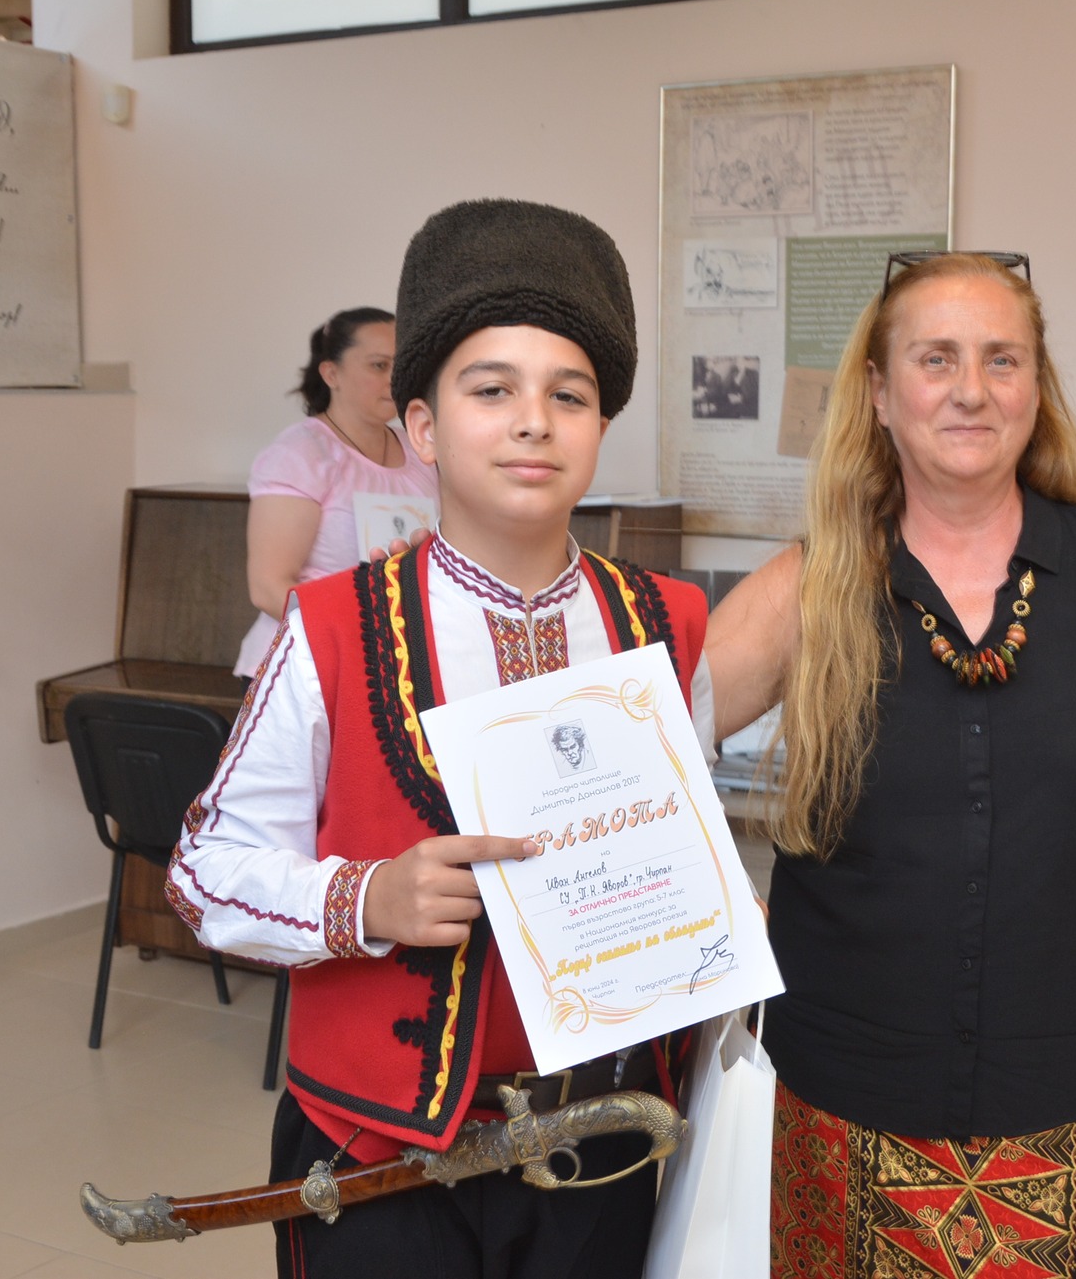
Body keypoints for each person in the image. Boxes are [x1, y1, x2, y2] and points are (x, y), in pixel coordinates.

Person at [707, 252, 1076, 1279]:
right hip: (843, 1088)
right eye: (935, 358)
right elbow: (644, 756)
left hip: (1056, 1089)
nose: (970, 389)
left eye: (1001, 359)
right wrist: (718, 916)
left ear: (1036, 387)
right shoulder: (812, 582)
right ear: (879, 393)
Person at [167, 199, 716, 1279]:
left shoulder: (667, 622)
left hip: (600, 1141)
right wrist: (364, 899)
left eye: (570, 395)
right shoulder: (331, 627)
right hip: (378, 1153)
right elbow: (202, 871)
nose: (533, 422)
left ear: (600, 429)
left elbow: (677, 856)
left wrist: (712, 915)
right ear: (420, 427)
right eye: (491, 389)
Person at [233, 306, 440, 678]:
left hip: (395, 663)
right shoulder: (301, 453)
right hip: (307, 667)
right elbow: (268, 587)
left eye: (401, 365)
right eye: (379, 365)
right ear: (331, 373)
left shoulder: (421, 450)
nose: (394, 378)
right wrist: (360, 641)